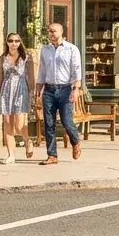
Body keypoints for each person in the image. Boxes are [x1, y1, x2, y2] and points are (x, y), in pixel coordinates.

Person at [34, 22, 82, 165]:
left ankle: (75, 141)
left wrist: (76, 89)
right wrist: (38, 87)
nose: (51, 34)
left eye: (54, 31)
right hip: (49, 90)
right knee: (49, 123)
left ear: (61, 32)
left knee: (67, 121)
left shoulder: (71, 49)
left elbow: (76, 70)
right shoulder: (45, 50)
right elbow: (42, 70)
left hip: (65, 89)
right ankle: (52, 155)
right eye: (49, 31)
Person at [0, 32, 34, 164]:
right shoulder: (2, 58)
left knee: (19, 125)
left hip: (21, 90)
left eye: (16, 41)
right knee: (7, 122)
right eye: (10, 41)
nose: (13, 43)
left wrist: (32, 93)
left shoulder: (26, 57)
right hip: (6, 90)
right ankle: (11, 155)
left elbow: (31, 77)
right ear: (7, 42)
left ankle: (27, 141)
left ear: (20, 43)